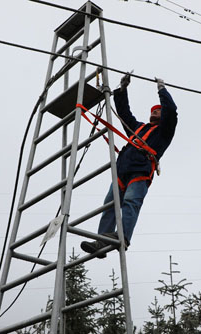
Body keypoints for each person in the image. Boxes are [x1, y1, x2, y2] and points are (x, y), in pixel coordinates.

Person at [80, 74, 178, 258]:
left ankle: (122, 236)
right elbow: (125, 114)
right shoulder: (138, 128)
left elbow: (171, 111)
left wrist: (162, 90)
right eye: (153, 111)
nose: (154, 112)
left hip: (140, 169)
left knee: (131, 202)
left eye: (158, 111)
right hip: (123, 168)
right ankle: (102, 241)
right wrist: (122, 90)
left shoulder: (164, 132)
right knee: (109, 205)